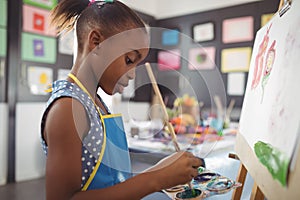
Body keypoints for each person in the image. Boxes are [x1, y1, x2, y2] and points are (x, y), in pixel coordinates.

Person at [40, 0, 203, 199]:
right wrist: (156, 179)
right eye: (129, 60)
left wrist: (159, 171)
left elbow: (113, 184)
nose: (133, 74)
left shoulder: (96, 103)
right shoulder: (68, 108)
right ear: (97, 42)